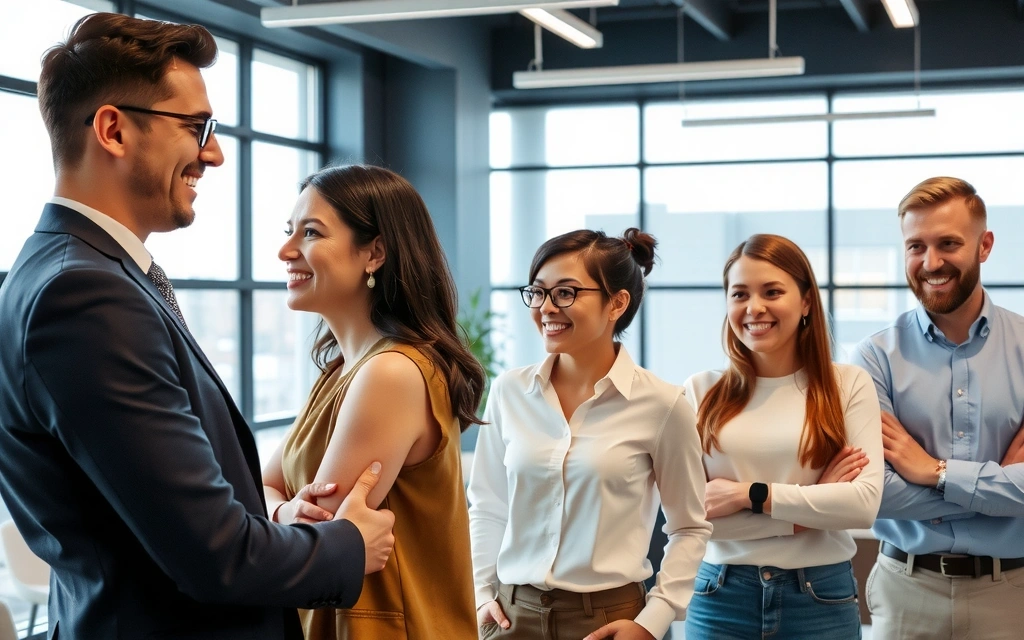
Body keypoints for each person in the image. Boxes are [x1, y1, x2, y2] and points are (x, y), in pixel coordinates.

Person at [0, 14, 394, 640]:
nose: (213, 152)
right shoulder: (85, 295)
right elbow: (218, 558)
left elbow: (148, 519)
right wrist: (348, 544)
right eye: (196, 127)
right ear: (113, 129)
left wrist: (279, 521)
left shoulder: (62, 273)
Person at [261, 164, 485, 640]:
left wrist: (278, 511)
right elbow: (259, 488)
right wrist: (282, 511)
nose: (285, 251)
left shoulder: (390, 373)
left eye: (311, 232)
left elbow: (322, 540)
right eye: (289, 232)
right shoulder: (343, 370)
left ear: (375, 252)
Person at [468, 228, 711, 640]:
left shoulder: (663, 405)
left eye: (566, 293)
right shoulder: (510, 389)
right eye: (538, 292)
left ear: (617, 302)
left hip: (607, 621)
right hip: (510, 616)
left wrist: (652, 621)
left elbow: (690, 527)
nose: (546, 307)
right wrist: (480, 592)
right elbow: (489, 505)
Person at [682, 234, 883, 640]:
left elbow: (862, 506)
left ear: (806, 301)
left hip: (819, 598)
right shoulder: (701, 390)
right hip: (720, 594)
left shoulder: (847, 385)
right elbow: (690, 518)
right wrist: (806, 518)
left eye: (772, 291)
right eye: (739, 294)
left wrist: (747, 495)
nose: (754, 308)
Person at [850, 177, 1024, 640]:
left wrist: (934, 471)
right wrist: (999, 492)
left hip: (1011, 593)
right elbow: (874, 494)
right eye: (915, 246)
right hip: (907, 591)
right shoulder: (873, 358)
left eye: (948, 243)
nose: (931, 263)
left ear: (984, 245)